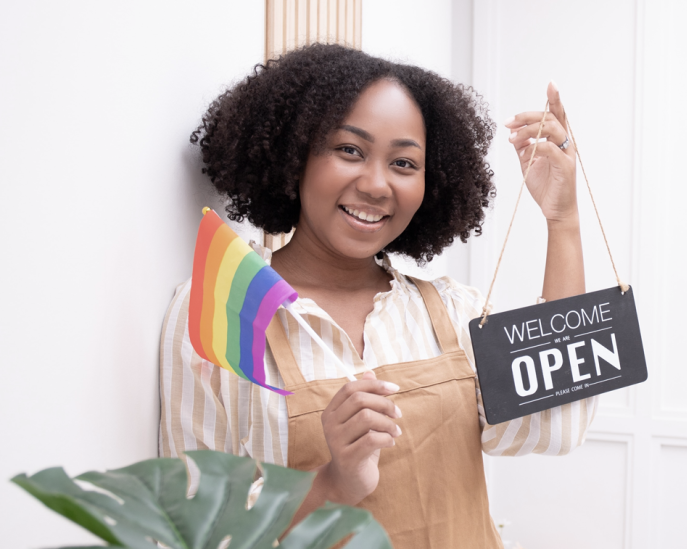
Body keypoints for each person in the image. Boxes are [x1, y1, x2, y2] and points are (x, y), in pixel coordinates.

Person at [159, 44, 596, 548]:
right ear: (295, 152)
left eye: (404, 163)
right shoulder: (221, 310)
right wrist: (332, 484)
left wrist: (563, 222)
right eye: (349, 150)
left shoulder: (452, 313)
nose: (375, 184)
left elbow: (554, 423)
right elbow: (194, 531)